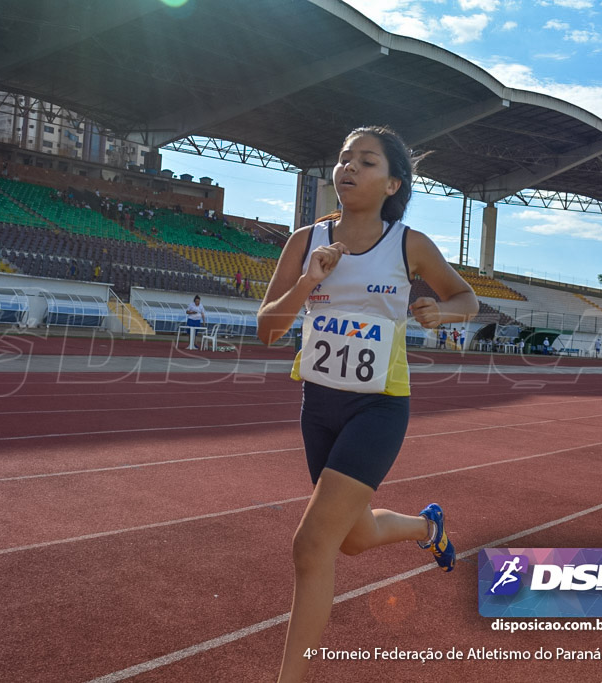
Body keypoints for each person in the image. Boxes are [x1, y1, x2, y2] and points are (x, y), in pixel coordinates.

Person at [256, 125, 478, 683]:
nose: (348, 168)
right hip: (319, 403)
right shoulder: (304, 241)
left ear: (392, 183)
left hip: (379, 406)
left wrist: (441, 313)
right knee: (351, 540)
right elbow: (266, 330)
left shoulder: (409, 244)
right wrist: (309, 282)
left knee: (312, 546)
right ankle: (428, 528)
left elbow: (465, 297)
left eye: (366, 161)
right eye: (343, 158)